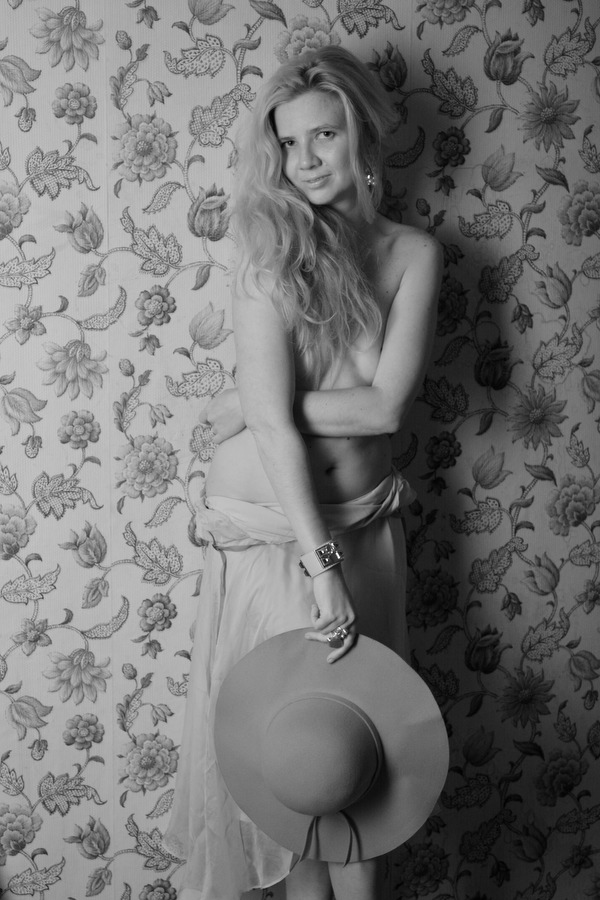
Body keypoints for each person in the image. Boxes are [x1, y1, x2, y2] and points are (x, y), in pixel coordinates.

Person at [164, 46, 443, 900]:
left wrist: (259, 401)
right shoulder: (269, 251)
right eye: (289, 143)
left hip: (364, 522)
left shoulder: (414, 254)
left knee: (365, 760)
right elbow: (280, 430)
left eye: (325, 134)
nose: (307, 160)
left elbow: (385, 408)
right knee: (301, 776)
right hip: (272, 534)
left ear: (363, 136)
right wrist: (321, 566)